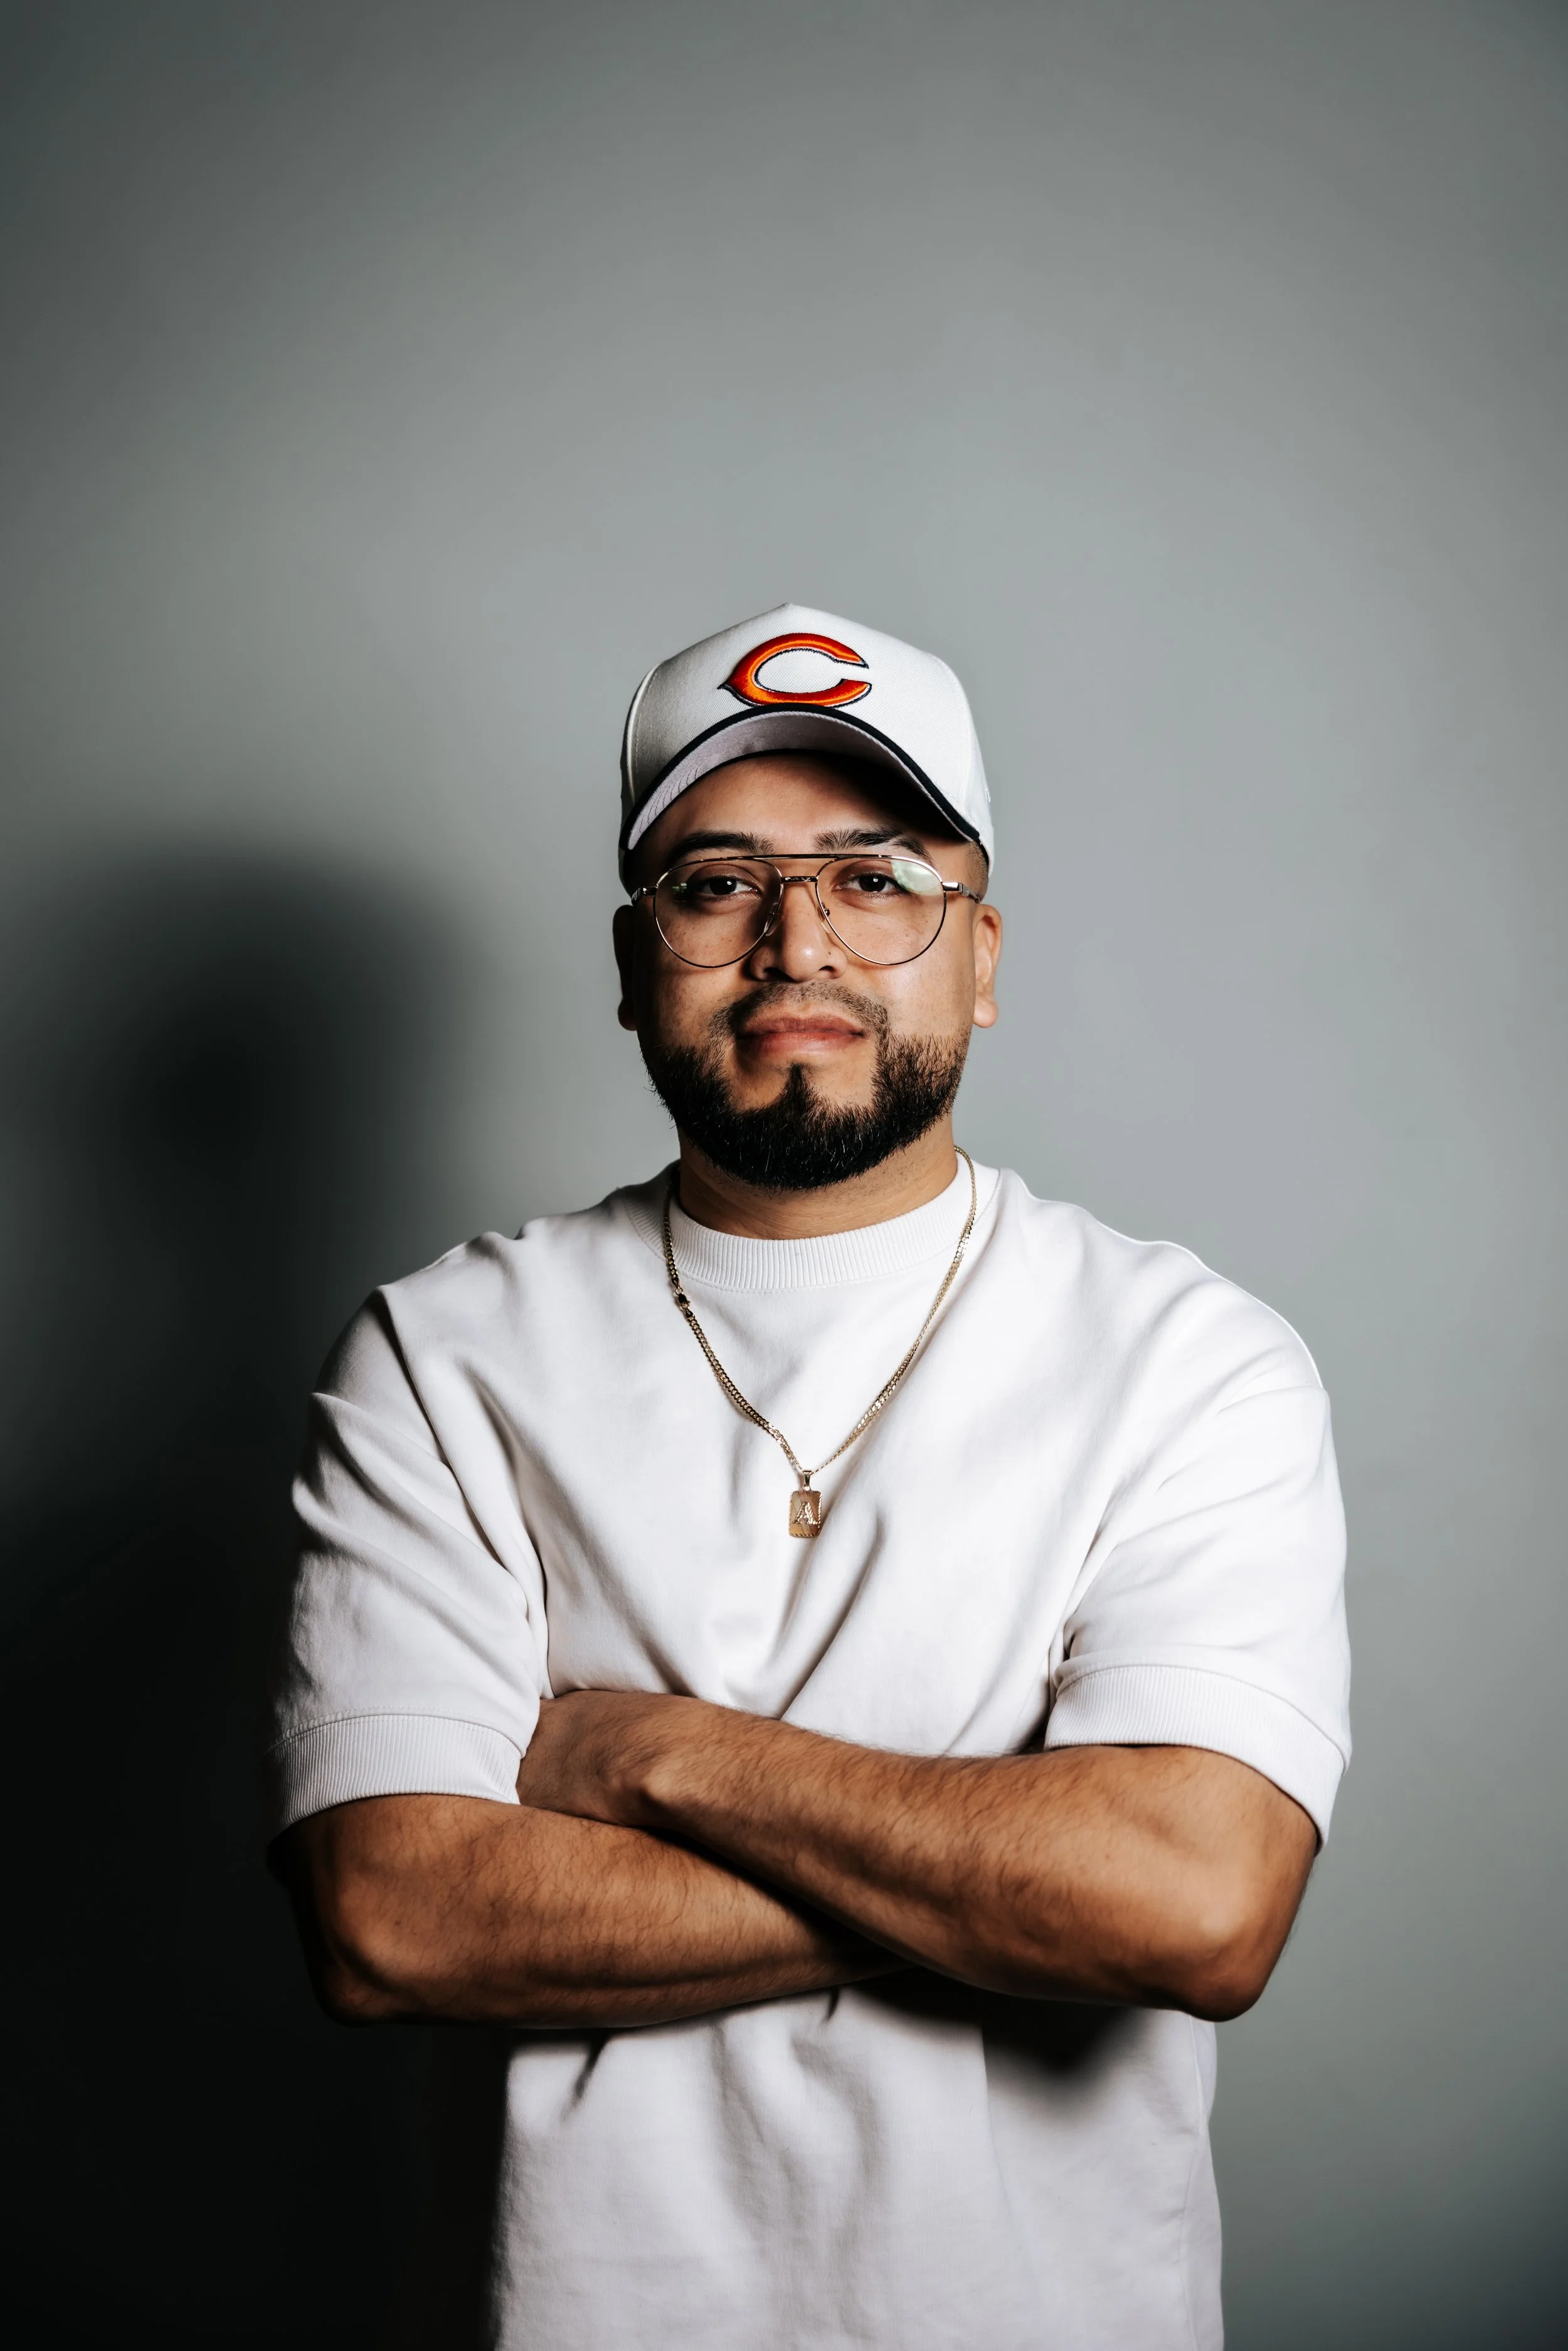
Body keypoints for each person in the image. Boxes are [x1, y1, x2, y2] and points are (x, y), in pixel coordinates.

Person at [270, 603, 1350, 2351]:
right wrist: (1010, 1872)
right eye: (717, 883)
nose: (798, 946)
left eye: (875, 878)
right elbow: (395, 1916)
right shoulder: (443, 1352)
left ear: (978, 955)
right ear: (633, 961)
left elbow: (1191, 1901)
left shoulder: (1188, 1356)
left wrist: (651, 1752)